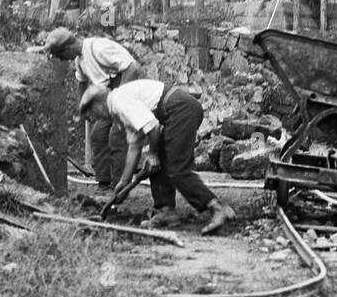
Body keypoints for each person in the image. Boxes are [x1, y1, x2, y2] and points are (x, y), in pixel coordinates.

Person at [87, 79, 235, 235]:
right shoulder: (120, 110)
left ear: (98, 104)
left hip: (181, 109)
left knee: (177, 169)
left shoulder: (118, 101)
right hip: (175, 113)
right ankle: (166, 211)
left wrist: (152, 153)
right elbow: (134, 147)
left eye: (92, 113)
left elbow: (154, 129)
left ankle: (217, 208)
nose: (95, 118)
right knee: (158, 166)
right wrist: (124, 182)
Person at [43, 28, 141, 186]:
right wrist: (83, 106)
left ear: (68, 48)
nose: (63, 60)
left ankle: (121, 185)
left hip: (126, 91)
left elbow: (132, 68)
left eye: (62, 56)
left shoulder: (99, 48)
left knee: (116, 136)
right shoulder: (79, 60)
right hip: (109, 98)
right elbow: (81, 83)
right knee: (98, 134)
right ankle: (104, 182)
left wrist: (121, 97)